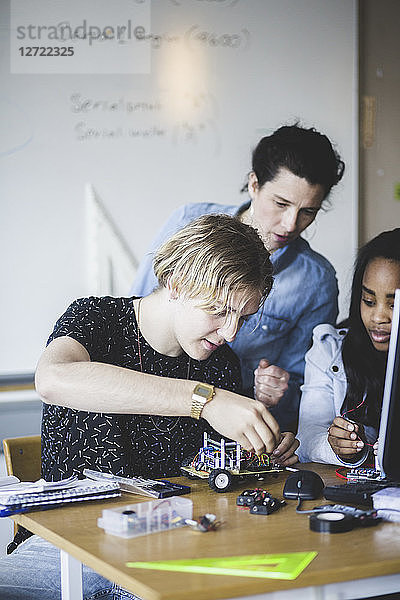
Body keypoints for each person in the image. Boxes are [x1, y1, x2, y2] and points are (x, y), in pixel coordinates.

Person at [0, 214, 299, 600]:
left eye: (243, 317)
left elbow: (208, 475)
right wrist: (204, 400)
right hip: (64, 547)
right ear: (175, 285)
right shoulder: (96, 320)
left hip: (162, 545)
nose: (230, 333)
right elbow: (53, 380)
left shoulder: (220, 363)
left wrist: (259, 450)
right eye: (218, 310)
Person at [131, 123, 345, 431]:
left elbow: (305, 388)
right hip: (149, 406)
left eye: (308, 212)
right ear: (254, 184)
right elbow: (138, 310)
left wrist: (274, 391)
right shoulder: (190, 221)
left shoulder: (317, 282)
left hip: (229, 430)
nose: (290, 224)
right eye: (281, 204)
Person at [297, 228, 400, 466]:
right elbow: (308, 436)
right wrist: (339, 447)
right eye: (369, 301)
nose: (378, 317)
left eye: (393, 305)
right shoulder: (329, 349)